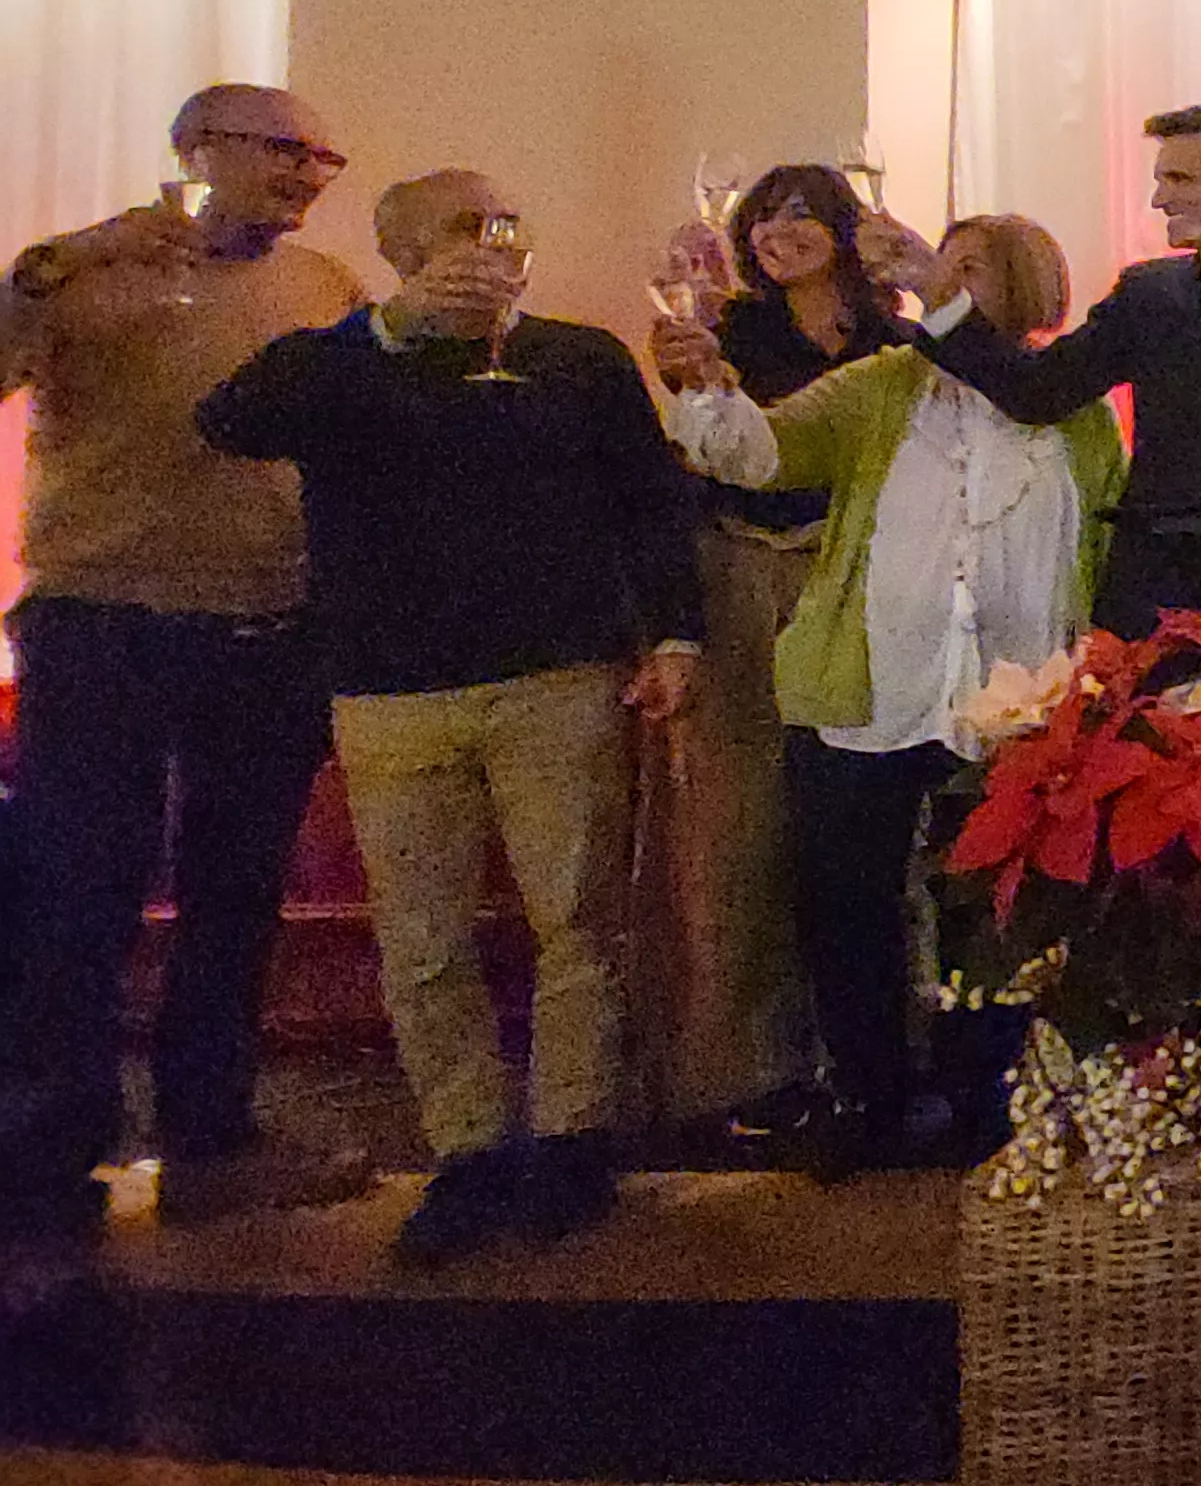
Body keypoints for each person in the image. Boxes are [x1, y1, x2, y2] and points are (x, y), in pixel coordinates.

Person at [197, 171, 704, 1268]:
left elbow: (650, 497)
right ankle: (466, 1151)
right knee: (420, 937)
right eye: (456, 233)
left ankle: (573, 1139)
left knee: (577, 919)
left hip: (558, 674)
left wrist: (673, 634)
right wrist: (390, 329)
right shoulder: (340, 364)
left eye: (501, 227)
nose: (487, 247)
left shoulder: (577, 357)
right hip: (389, 687)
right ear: (399, 252)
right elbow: (230, 419)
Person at [651, 214, 1121, 1179]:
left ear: (1024, 286)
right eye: (936, 272)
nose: (940, 287)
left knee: (990, 908)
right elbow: (763, 456)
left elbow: (1101, 550)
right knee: (846, 900)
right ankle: (869, 1093)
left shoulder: (1072, 411)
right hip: (869, 690)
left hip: (1013, 704)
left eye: (970, 272)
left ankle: (984, 1092)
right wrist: (707, 385)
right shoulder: (880, 387)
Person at [0, 86, 372, 1288]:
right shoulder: (84, 274)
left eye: (323, 153)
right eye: (286, 148)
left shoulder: (324, 290)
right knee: (83, 889)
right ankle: (53, 1150)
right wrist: (56, 264)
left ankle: (211, 1132)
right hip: (99, 617)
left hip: (265, 621)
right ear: (198, 150)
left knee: (237, 888)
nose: (312, 171)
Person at [869, 105, 1201, 630]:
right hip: (1164, 593)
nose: (1158, 198)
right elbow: (1039, 392)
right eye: (1159, 180)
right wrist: (938, 294)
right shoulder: (1147, 295)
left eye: (1180, 178)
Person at [663, 164, 903, 1142]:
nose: (778, 231)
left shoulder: (899, 342)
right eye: (762, 216)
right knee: (745, 824)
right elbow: (699, 464)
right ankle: (757, 1066)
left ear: (847, 228)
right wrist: (689, 383)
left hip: (863, 580)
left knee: (864, 823)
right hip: (743, 575)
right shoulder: (729, 335)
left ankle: (884, 1053)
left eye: (802, 212)